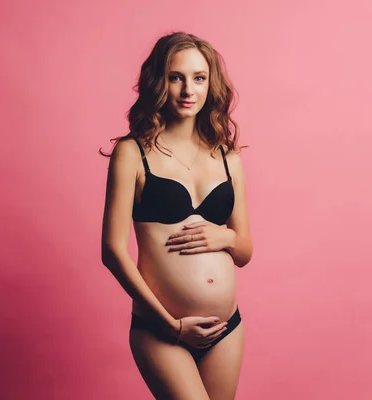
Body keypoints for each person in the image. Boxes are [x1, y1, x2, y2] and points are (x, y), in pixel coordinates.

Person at [100, 32, 254, 400]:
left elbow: (245, 252)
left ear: (210, 84)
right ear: (159, 81)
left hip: (225, 328)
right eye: (176, 77)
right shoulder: (132, 153)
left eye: (199, 78)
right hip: (161, 327)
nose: (188, 89)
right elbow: (112, 251)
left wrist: (228, 238)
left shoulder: (227, 157)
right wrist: (170, 326)